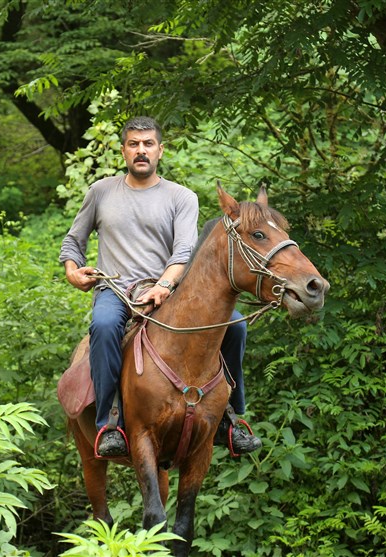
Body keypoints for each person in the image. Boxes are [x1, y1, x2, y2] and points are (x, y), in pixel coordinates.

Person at [59, 116, 261, 458]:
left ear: (160, 150)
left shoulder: (181, 197)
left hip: (173, 292)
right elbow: (73, 242)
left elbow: (185, 250)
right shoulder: (101, 191)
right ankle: (110, 422)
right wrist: (72, 272)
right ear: (123, 150)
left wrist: (166, 285)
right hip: (117, 291)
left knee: (237, 325)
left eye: (148, 144)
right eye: (134, 144)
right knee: (104, 325)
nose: (141, 151)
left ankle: (231, 419)